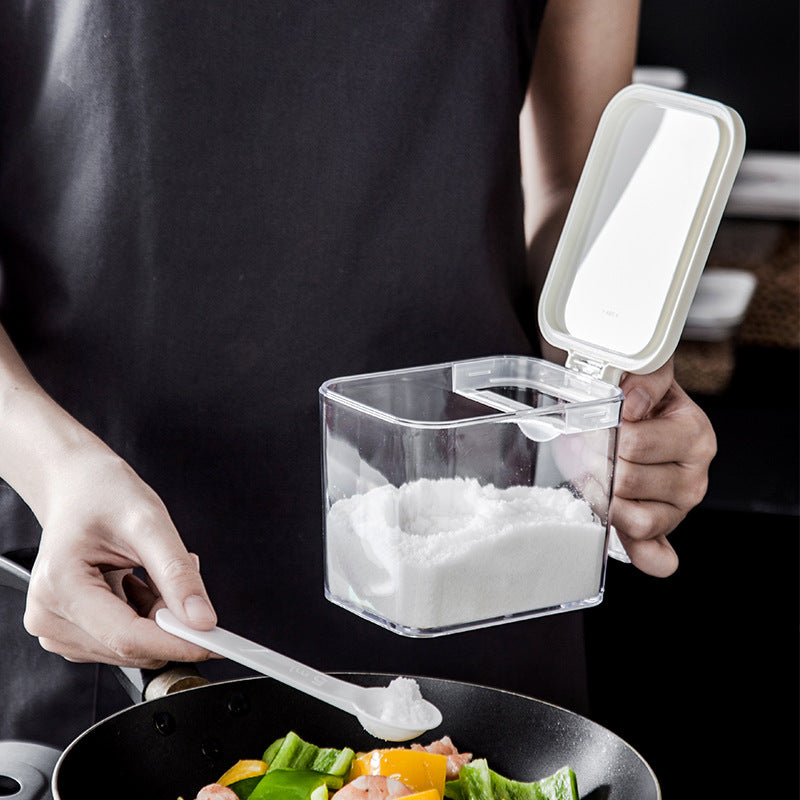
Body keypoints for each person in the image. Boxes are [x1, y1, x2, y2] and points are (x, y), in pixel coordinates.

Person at [0, 0, 715, 746]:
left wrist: (602, 382)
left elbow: (573, 181)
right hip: (101, 565)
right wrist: (55, 470)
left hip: (479, 564)